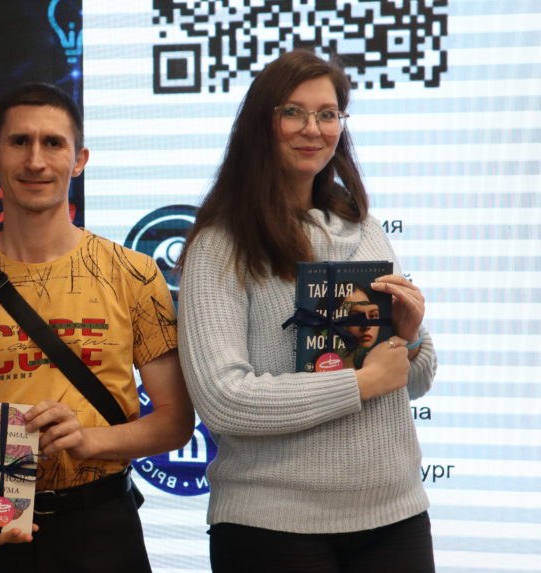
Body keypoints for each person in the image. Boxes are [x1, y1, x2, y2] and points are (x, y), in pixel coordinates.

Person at [0, 83, 194, 573]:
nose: (35, 161)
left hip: (102, 527)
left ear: (79, 159)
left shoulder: (132, 274)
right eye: (19, 142)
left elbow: (175, 422)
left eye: (53, 143)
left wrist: (90, 440)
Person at [177, 49, 437, 572]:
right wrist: (360, 383)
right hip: (271, 525)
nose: (312, 129)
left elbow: (414, 378)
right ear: (261, 123)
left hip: (396, 513)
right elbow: (224, 400)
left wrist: (408, 339)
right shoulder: (220, 244)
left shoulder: (365, 229)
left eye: (328, 114)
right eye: (292, 112)